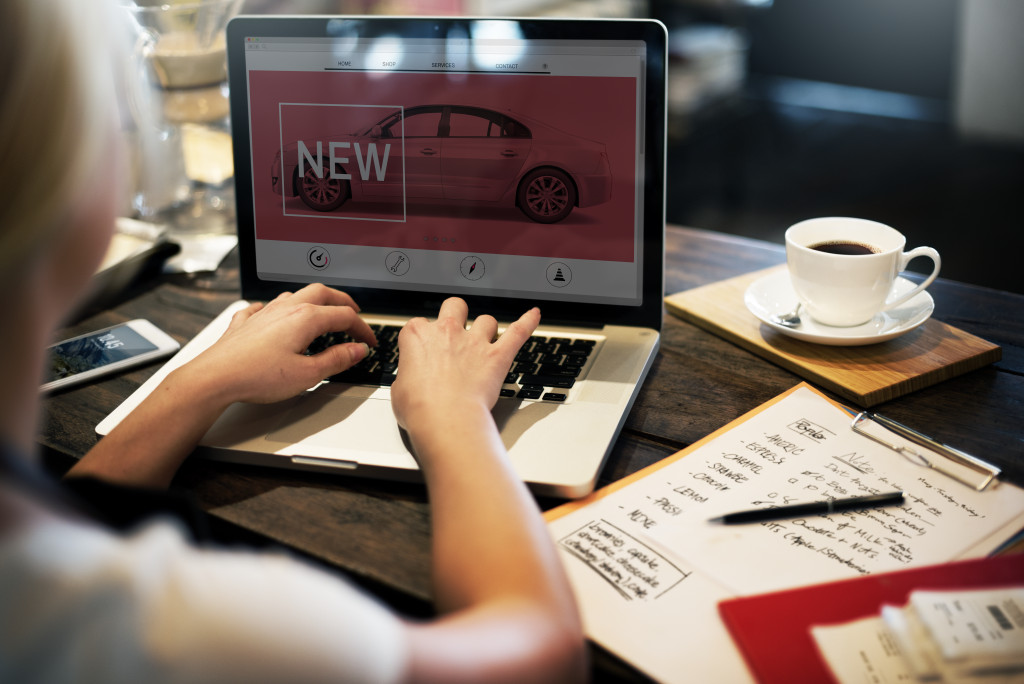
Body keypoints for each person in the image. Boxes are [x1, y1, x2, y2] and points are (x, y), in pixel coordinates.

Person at [0, 0, 585, 682]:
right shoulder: (186, 627)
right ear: (69, 178)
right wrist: (453, 416)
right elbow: (541, 654)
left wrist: (198, 381)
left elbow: (77, 516)